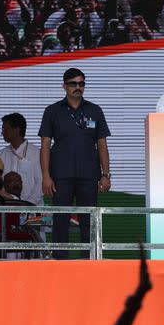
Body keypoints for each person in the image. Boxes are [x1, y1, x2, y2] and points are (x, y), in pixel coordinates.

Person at [39, 68, 111, 259]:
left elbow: (102, 144)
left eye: (81, 83)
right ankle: (60, 260)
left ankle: (89, 260)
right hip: (60, 175)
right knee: (61, 218)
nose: (77, 87)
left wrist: (106, 174)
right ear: (64, 86)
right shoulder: (52, 110)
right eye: (73, 84)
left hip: (89, 175)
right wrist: (45, 175)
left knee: (88, 219)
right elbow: (45, 145)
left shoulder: (95, 110)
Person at [0, 113, 43, 205]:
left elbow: (41, 182)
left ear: (17, 130)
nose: (2, 132)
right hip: (7, 210)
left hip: (33, 211)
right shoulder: (1, 155)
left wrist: (27, 204)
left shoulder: (36, 153)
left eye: (6, 129)